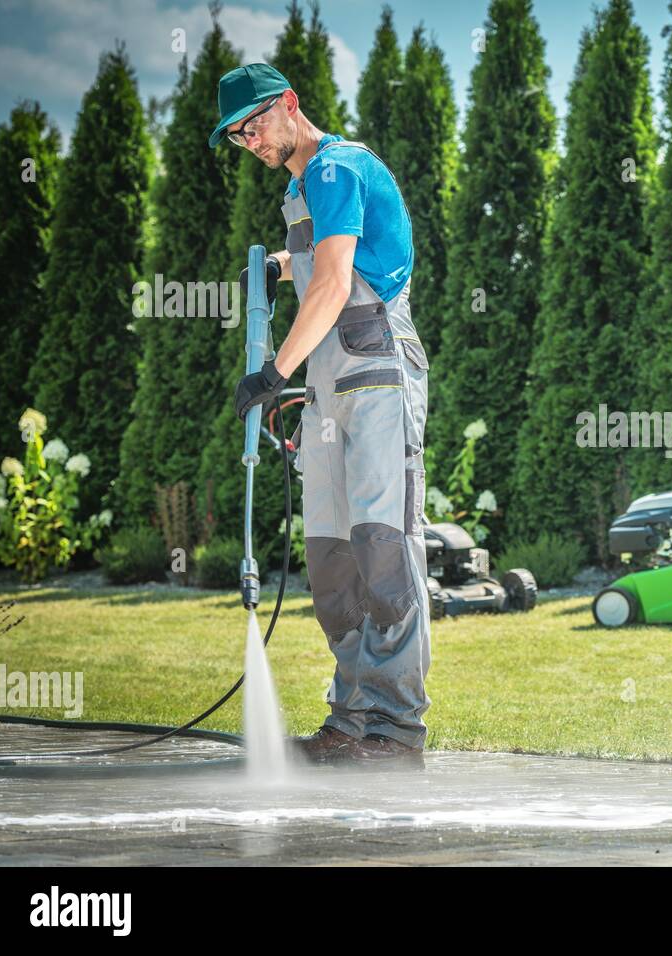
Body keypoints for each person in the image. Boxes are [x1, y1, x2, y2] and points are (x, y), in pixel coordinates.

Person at [211, 63, 431, 762]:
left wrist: (275, 373)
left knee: (381, 545)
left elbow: (337, 282)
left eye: (255, 123)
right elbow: (318, 261)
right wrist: (276, 266)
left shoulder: (337, 169)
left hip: (374, 366)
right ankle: (351, 719)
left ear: (289, 104)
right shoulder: (301, 190)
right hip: (332, 382)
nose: (249, 140)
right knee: (332, 555)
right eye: (238, 135)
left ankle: (395, 732)